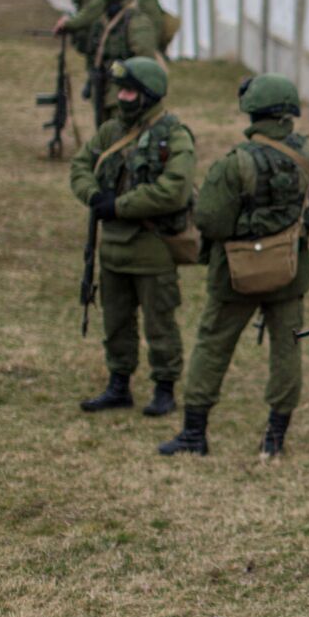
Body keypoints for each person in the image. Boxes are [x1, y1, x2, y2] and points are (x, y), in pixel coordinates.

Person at [159, 74, 309, 458]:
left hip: (234, 274)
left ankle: (194, 435)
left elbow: (210, 221)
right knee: (287, 351)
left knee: (213, 346)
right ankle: (275, 439)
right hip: (288, 271)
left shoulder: (234, 163)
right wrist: (298, 223)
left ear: (251, 112)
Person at [68, 58, 196, 416]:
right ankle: (118, 384)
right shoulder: (110, 132)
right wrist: (94, 197)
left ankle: (164, 388)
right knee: (116, 321)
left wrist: (120, 206)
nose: (121, 97)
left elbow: (175, 190)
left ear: (149, 95)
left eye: (129, 91)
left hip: (152, 250)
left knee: (160, 323)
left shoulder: (174, 136)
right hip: (111, 250)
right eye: (120, 90)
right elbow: (80, 166)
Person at [57, 0, 157, 128]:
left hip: (123, 87)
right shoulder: (104, 21)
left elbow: (145, 63)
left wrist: (133, 88)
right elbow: (93, 51)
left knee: (119, 128)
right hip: (103, 82)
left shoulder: (136, 22)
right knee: (104, 130)